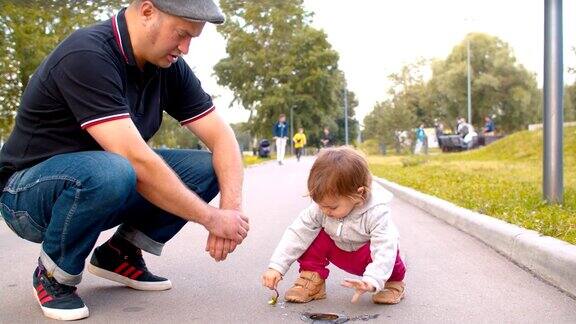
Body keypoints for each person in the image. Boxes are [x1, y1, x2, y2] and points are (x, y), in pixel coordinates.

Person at [0, 0, 250, 320]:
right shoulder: (87, 55)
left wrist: (231, 209)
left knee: (204, 167)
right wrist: (211, 219)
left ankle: (120, 254)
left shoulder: (168, 67)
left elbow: (222, 138)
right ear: (147, 12)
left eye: (193, 39)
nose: (185, 48)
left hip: (100, 180)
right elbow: (134, 159)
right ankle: (54, 276)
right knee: (116, 168)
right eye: (181, 34)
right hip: (26, 195)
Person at [261, 147, 406, 305]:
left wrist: (372, 280)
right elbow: (297, 233)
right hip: (340, 252)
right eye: (320, 205)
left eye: (332, 207)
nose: (325, 211)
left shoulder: (376, 212)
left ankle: (393, 284)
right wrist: (276, 266)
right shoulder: (320, 209)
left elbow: (384, 248)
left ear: (359, 194)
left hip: (369, 257)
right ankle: (312, 278)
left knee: (390, 250)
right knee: (310, 234)